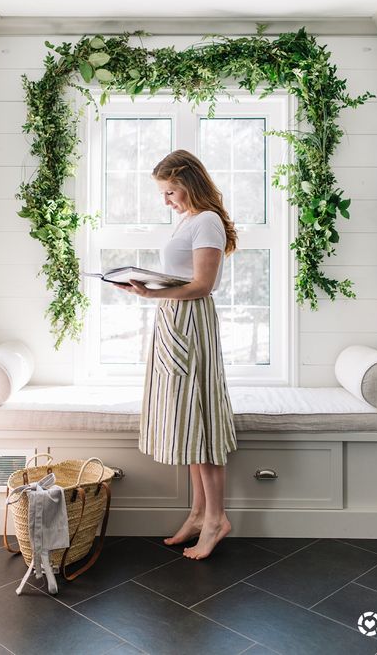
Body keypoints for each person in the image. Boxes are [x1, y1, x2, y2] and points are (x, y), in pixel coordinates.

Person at [114, 149, 238, 560]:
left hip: (190, 322)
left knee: (199, 421)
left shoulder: (207, 221)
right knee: (187, 424)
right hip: (173, 321)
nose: (165, 200)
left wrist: (151, 292)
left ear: (189, 183)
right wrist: (148, 289)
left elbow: (203, 285)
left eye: (170, 192)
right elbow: (182, 276)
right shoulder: (187, 220)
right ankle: (198, 512)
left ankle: (217, 519)